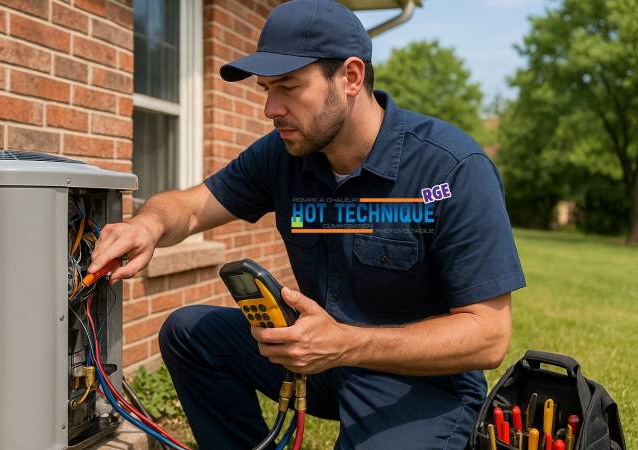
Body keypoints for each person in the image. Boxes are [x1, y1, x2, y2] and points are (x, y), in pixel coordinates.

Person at [87, 0, 525, 448]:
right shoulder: (282, 153)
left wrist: (345, 343)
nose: (271, 109)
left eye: (289, 87)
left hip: (422, 383)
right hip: (318, 356)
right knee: (188, 333)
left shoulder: (451, 169)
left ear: (351, 77)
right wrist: (149, 224)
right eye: (266, 90)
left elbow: (487, 337)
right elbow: (193, 206)